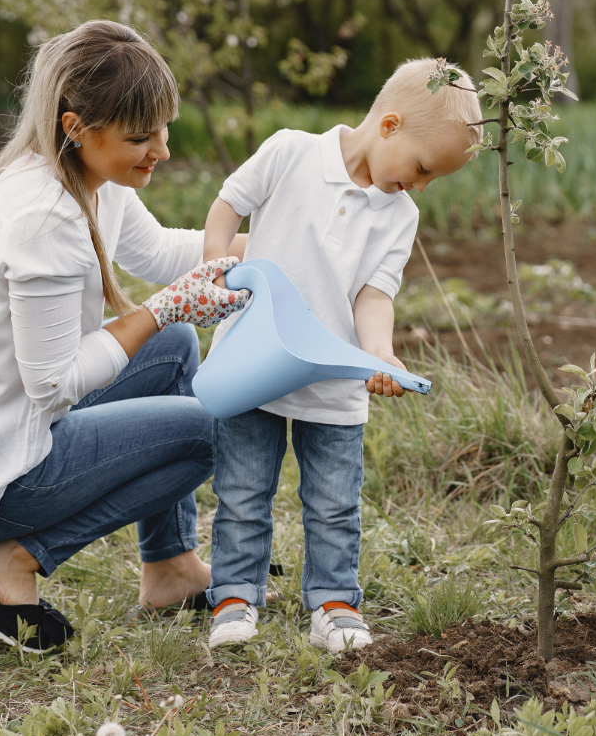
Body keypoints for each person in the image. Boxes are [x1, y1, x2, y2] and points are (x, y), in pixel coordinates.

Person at [0, 20, 249, 652]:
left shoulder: (86, 176)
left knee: (175, 348)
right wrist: (162, 309)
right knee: (210, 427)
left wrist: (291, 252)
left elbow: (161, 253)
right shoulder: (42, 218)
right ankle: (16, 556)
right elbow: (54, 382)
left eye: (165, 129)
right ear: (76, 127)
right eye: (140, 136)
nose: (163, 150)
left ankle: (171, 568)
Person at [198, 59, 483, 653]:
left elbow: (373, 295)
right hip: (254, 366)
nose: (422, 185)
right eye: (423, 168)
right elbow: (229, 203)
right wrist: (215, 266)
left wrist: (378, 354)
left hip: (333, 382)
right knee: (244, 492)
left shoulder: (400, 215)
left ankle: (332, 601)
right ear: (390, 125)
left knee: (333, 503)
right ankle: (234, 595)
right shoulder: (290, 153)